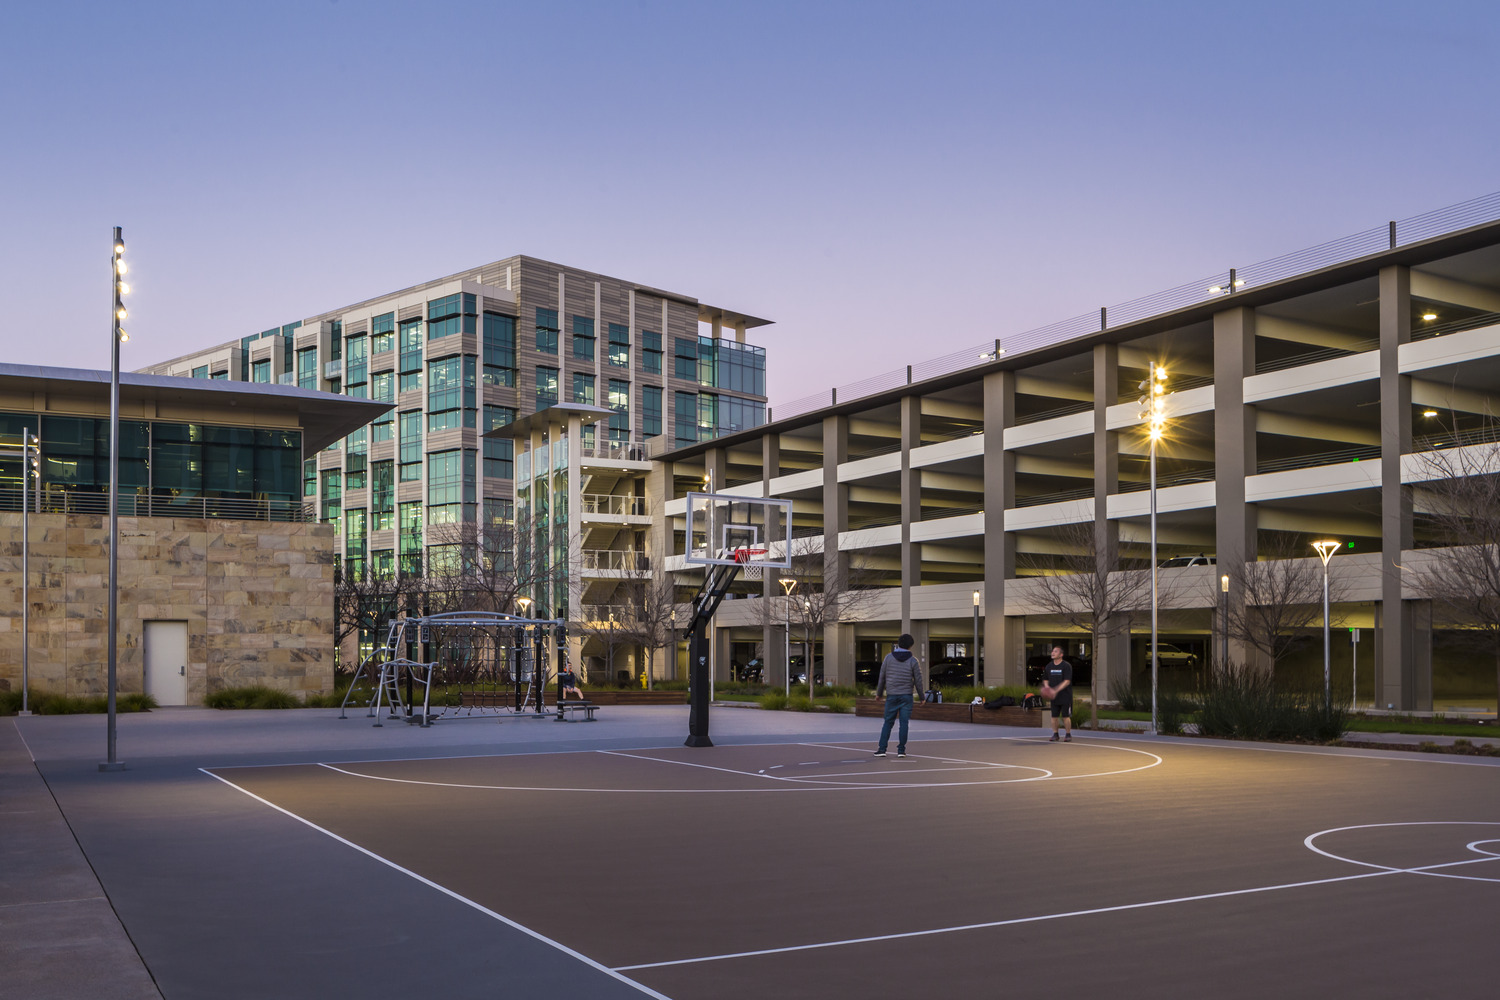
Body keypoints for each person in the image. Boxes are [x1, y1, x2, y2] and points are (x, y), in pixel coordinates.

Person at [874, 634, 925, 758]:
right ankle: (901, 750)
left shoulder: (888, 658)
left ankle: (882, 749)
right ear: (910, 645)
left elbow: (882, 677)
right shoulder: (913, 660)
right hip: (907, 695)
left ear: (898, 643)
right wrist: (922, 697)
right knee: (904, 723)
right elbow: (918, 680)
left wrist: (879, 693)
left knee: (887, 722)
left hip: (892, 695)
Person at [1039, 645, 1073, 742]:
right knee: (1054, 716)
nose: (1053, 653)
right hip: (1054, 697)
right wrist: (1047, 687)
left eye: (1055, 651)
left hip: (1065, 696)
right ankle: (1055, 734)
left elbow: (1067, 681)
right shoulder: (1049, 666)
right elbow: (1045, 679)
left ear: (1061, 654)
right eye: (1052, 651)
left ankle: (1068, 734)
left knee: (1065, 716)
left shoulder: (1066, 666)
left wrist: (1055, 690)